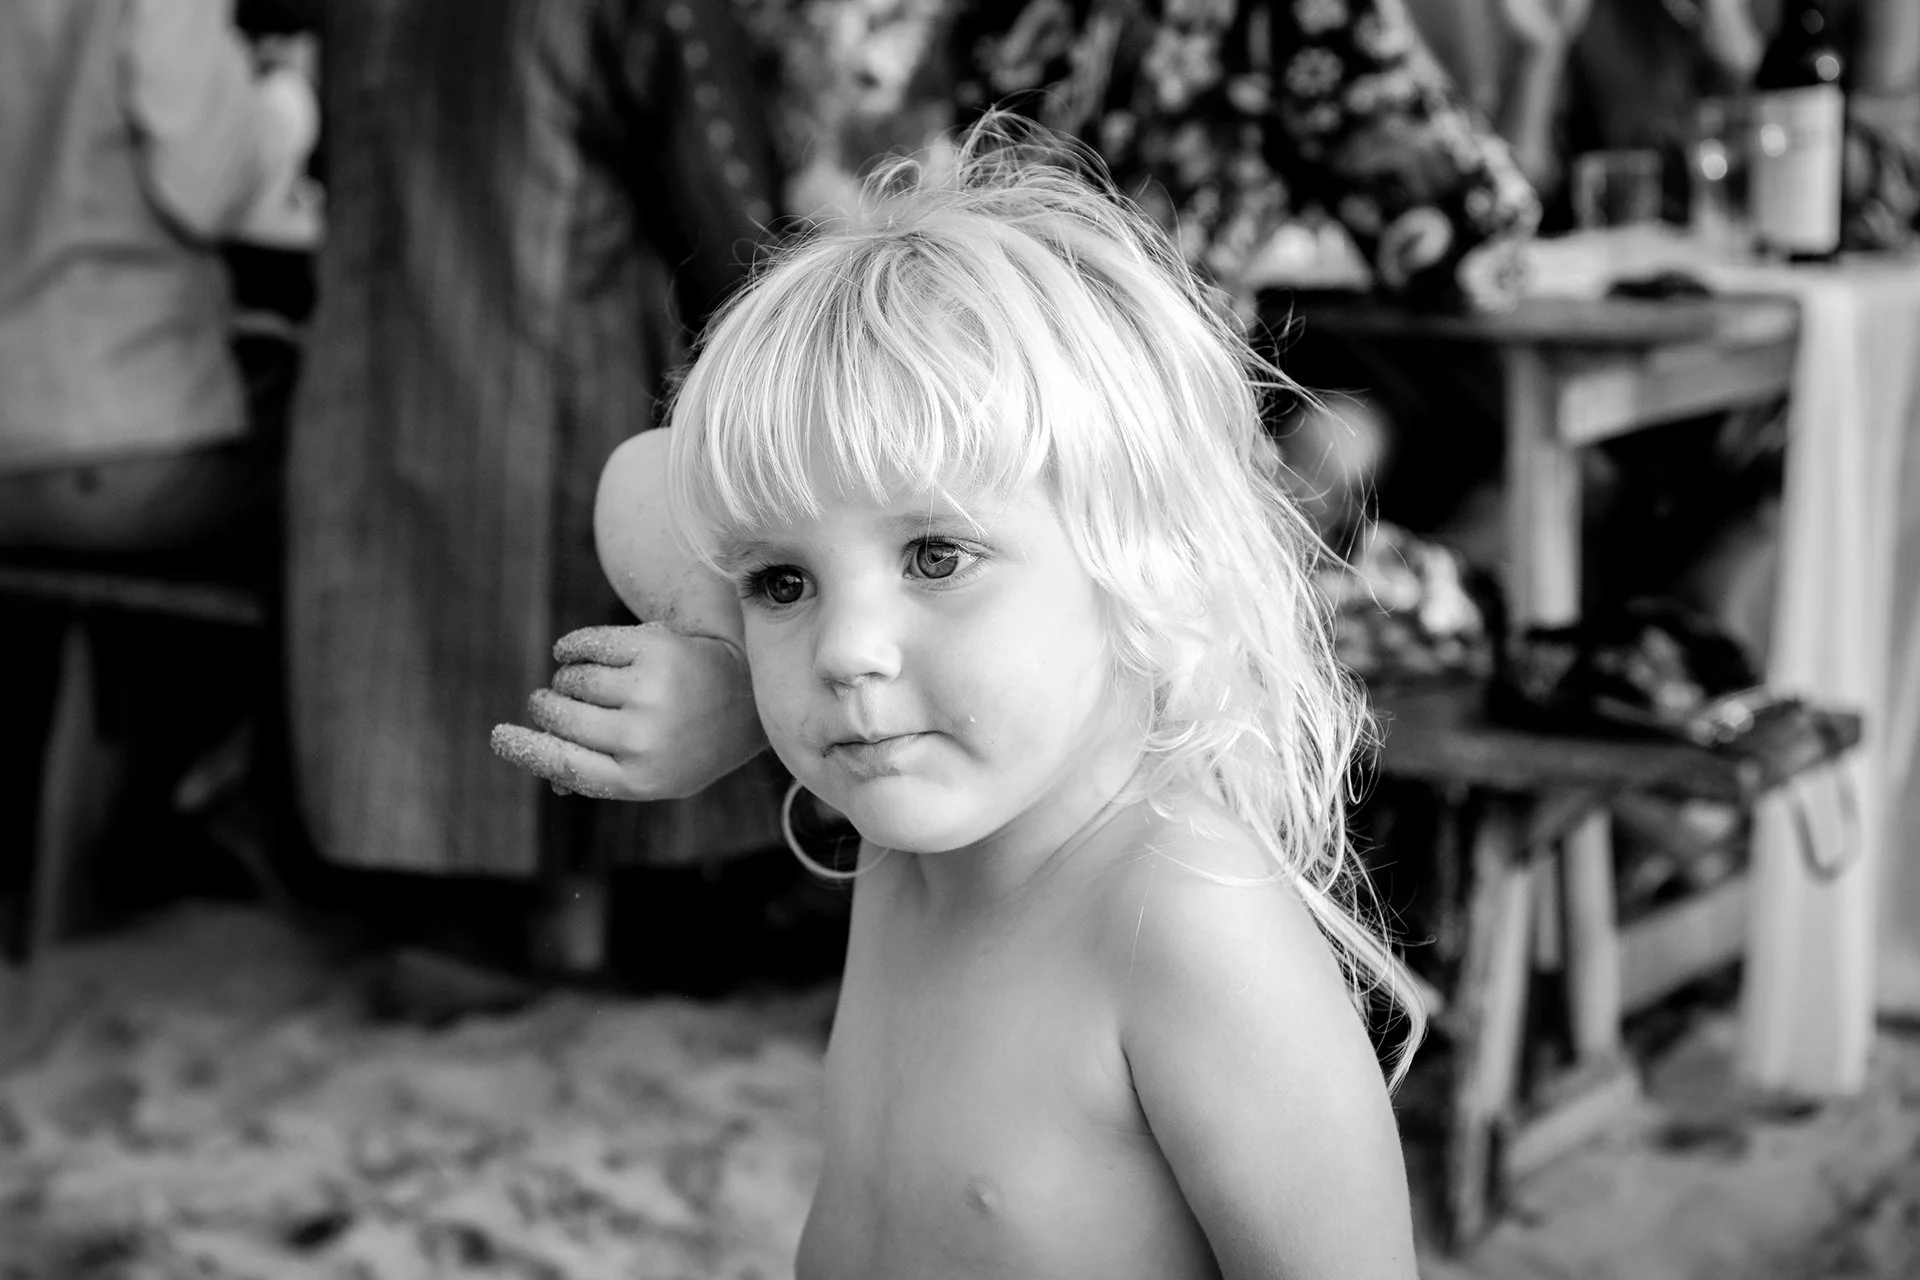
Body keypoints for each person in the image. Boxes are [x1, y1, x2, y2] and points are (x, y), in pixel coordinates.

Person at [509, 117, 1424, 1277]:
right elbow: (642, 480)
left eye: (937, 556)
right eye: (783, 581)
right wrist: (737, 672)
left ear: (1133, 551)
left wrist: (765, 644)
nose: (847, 650)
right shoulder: (935, 816)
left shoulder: (1185, 923)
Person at [286, 0, 787, 924]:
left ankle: (453, 910)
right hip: (544, 378)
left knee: (410, 632)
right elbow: (741, 241)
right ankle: (566, 922)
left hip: (367, 397)